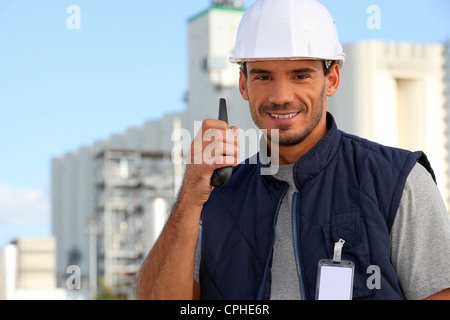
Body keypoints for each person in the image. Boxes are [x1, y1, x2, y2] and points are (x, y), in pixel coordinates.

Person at [135, 0, 450, 300]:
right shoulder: (214, 199)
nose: (281, 95)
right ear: (243, 85)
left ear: (332, 79)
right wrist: (189, 196)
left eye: (300, 75)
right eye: (263, 76)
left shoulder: (397, 181)